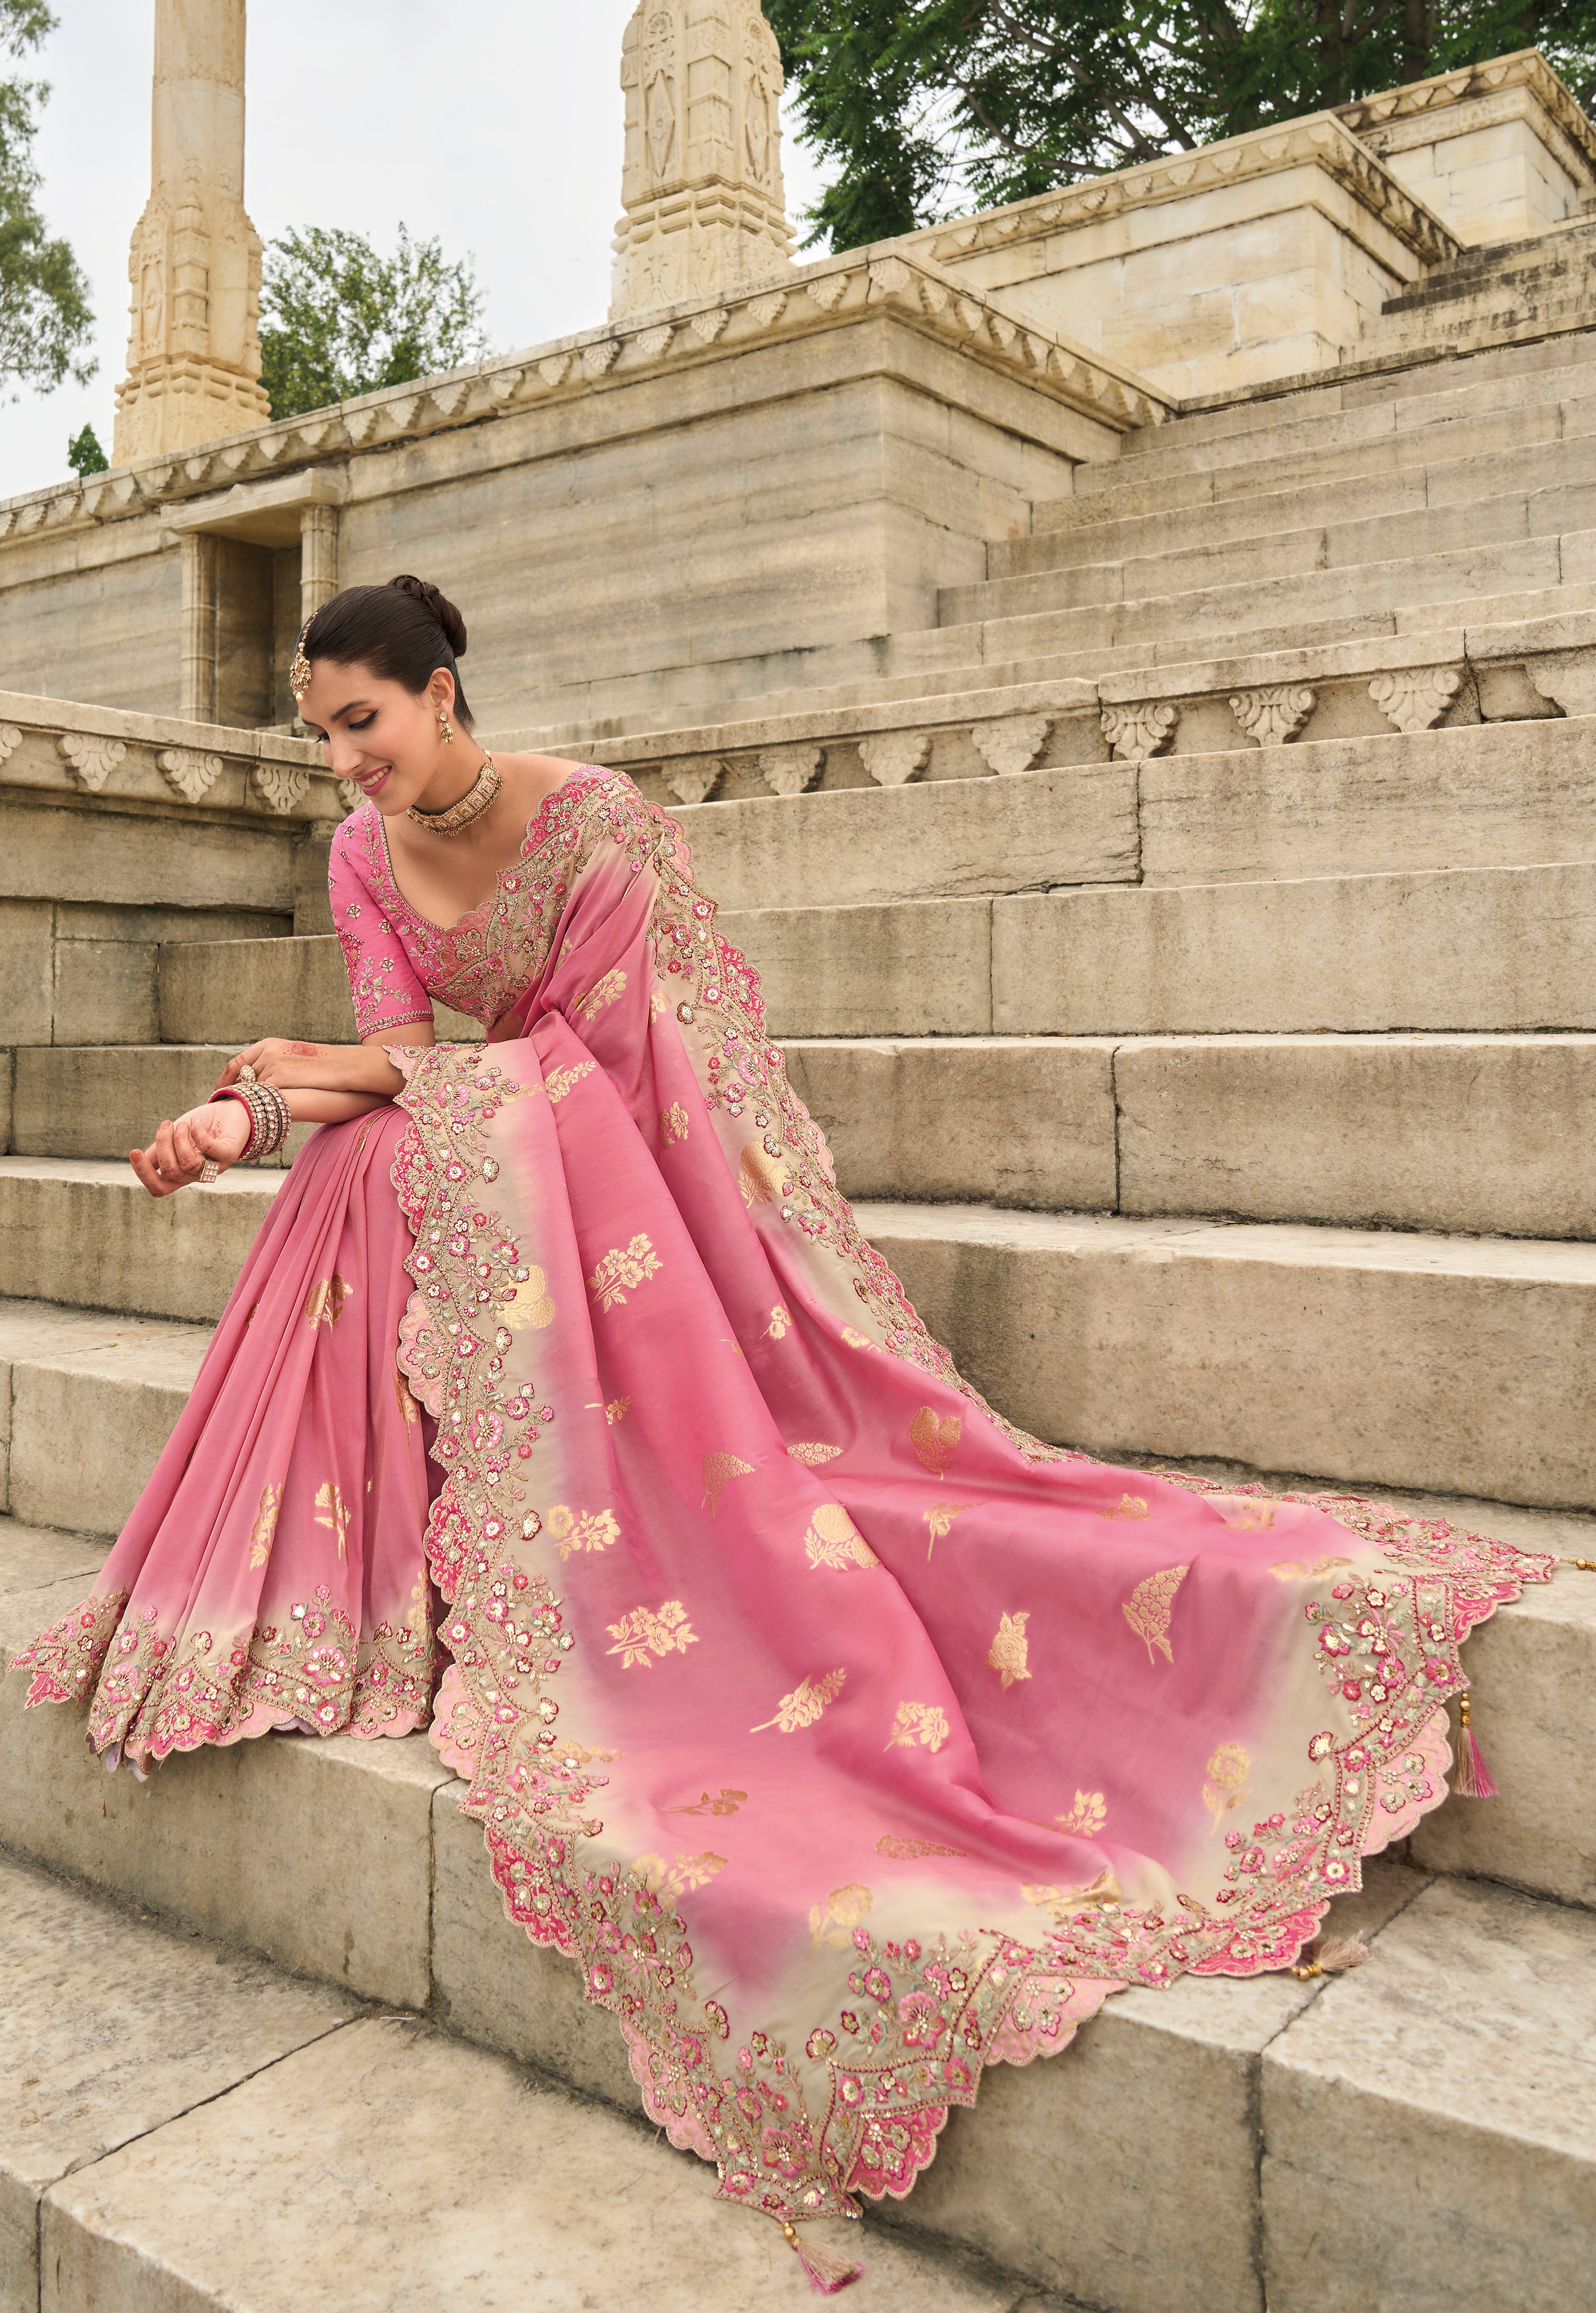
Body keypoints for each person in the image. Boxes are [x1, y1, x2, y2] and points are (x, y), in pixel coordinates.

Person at [11, 575, 1552, 2289]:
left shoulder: (597, 825)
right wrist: (263, 1101)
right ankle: (339, 1588)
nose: (344, 763)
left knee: (428, 1139)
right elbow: (400, 1058)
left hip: (644, 1164)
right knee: (369, 1150)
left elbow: (637, 1064)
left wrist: (296, 1093)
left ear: (445, 695)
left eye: (361, 723)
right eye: (319, 737)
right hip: (514, 1149)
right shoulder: (362, 855)